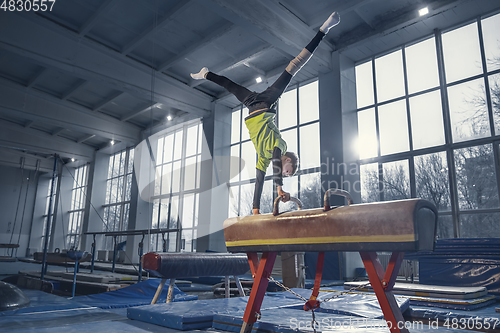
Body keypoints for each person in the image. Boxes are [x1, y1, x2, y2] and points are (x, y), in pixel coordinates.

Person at [191, 12, 340, 215]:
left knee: (229, 85)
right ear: (289, 161)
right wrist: (279, 187)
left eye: (285, 175)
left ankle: (206, 74)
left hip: (253, 107)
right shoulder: (280, 147)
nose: (283, 173)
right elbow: (277, 160)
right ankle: (323, 30)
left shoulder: (263, 158)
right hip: (268, 103)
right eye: (287, 172)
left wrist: (255, 209)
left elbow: (260, 181)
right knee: (294, 66)